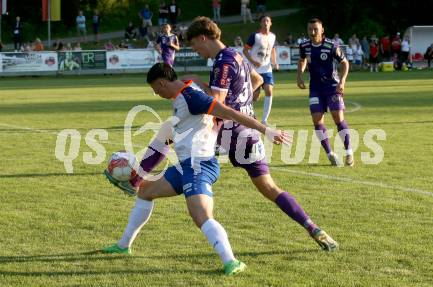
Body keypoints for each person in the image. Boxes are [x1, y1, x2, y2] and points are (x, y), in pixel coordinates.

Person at [106, 16, 338, 257]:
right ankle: (313, 227)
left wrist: (197, 82)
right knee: (269, 187)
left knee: (172, 130)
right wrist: (245, 105)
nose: (195, 50)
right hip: (247, 136)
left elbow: (215, 102)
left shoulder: (222, 62)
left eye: (194, 45)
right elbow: (257, 80)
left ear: (203, 38)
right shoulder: (237, 55)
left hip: (228, 133)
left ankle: (135, 178)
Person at [103, 62, 290, 275]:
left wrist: (266, 130)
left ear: (162, 83)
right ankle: (123, 245)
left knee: (200, 215)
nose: (156, 94)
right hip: (185, 166)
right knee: (145, 191)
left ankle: (231, 262)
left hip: (200, 166)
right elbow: (163, 143)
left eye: (156, 90)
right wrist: (137, 177)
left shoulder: (192, 98)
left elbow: (230, 113)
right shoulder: (182, 95)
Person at [297, 18, 353, 167]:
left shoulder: (331, 45)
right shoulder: (304, 46)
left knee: (338, 117)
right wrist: (299, 75)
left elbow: (344, 63)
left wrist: (342, 81)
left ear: (322, 30)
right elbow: (302, 60)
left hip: (332, 86)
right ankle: (330, 154)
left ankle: (349, 152)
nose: (312, 32)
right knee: (317, 120)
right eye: (310, 29)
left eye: (315, 29)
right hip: (315, 88)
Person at [243, 15, 279, 125]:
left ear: (271, 23)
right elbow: (245, 50)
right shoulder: (255, 36)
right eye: (264, 21)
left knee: (269, 90)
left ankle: (264, 120)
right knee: (255, 97)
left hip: (267, 69)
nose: (266, 22)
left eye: (268, 20)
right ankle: (248, 115)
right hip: (255, 71)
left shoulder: (273, 36)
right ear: (260, 23)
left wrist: (275, 62)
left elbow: (272, 50)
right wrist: (253, 62)